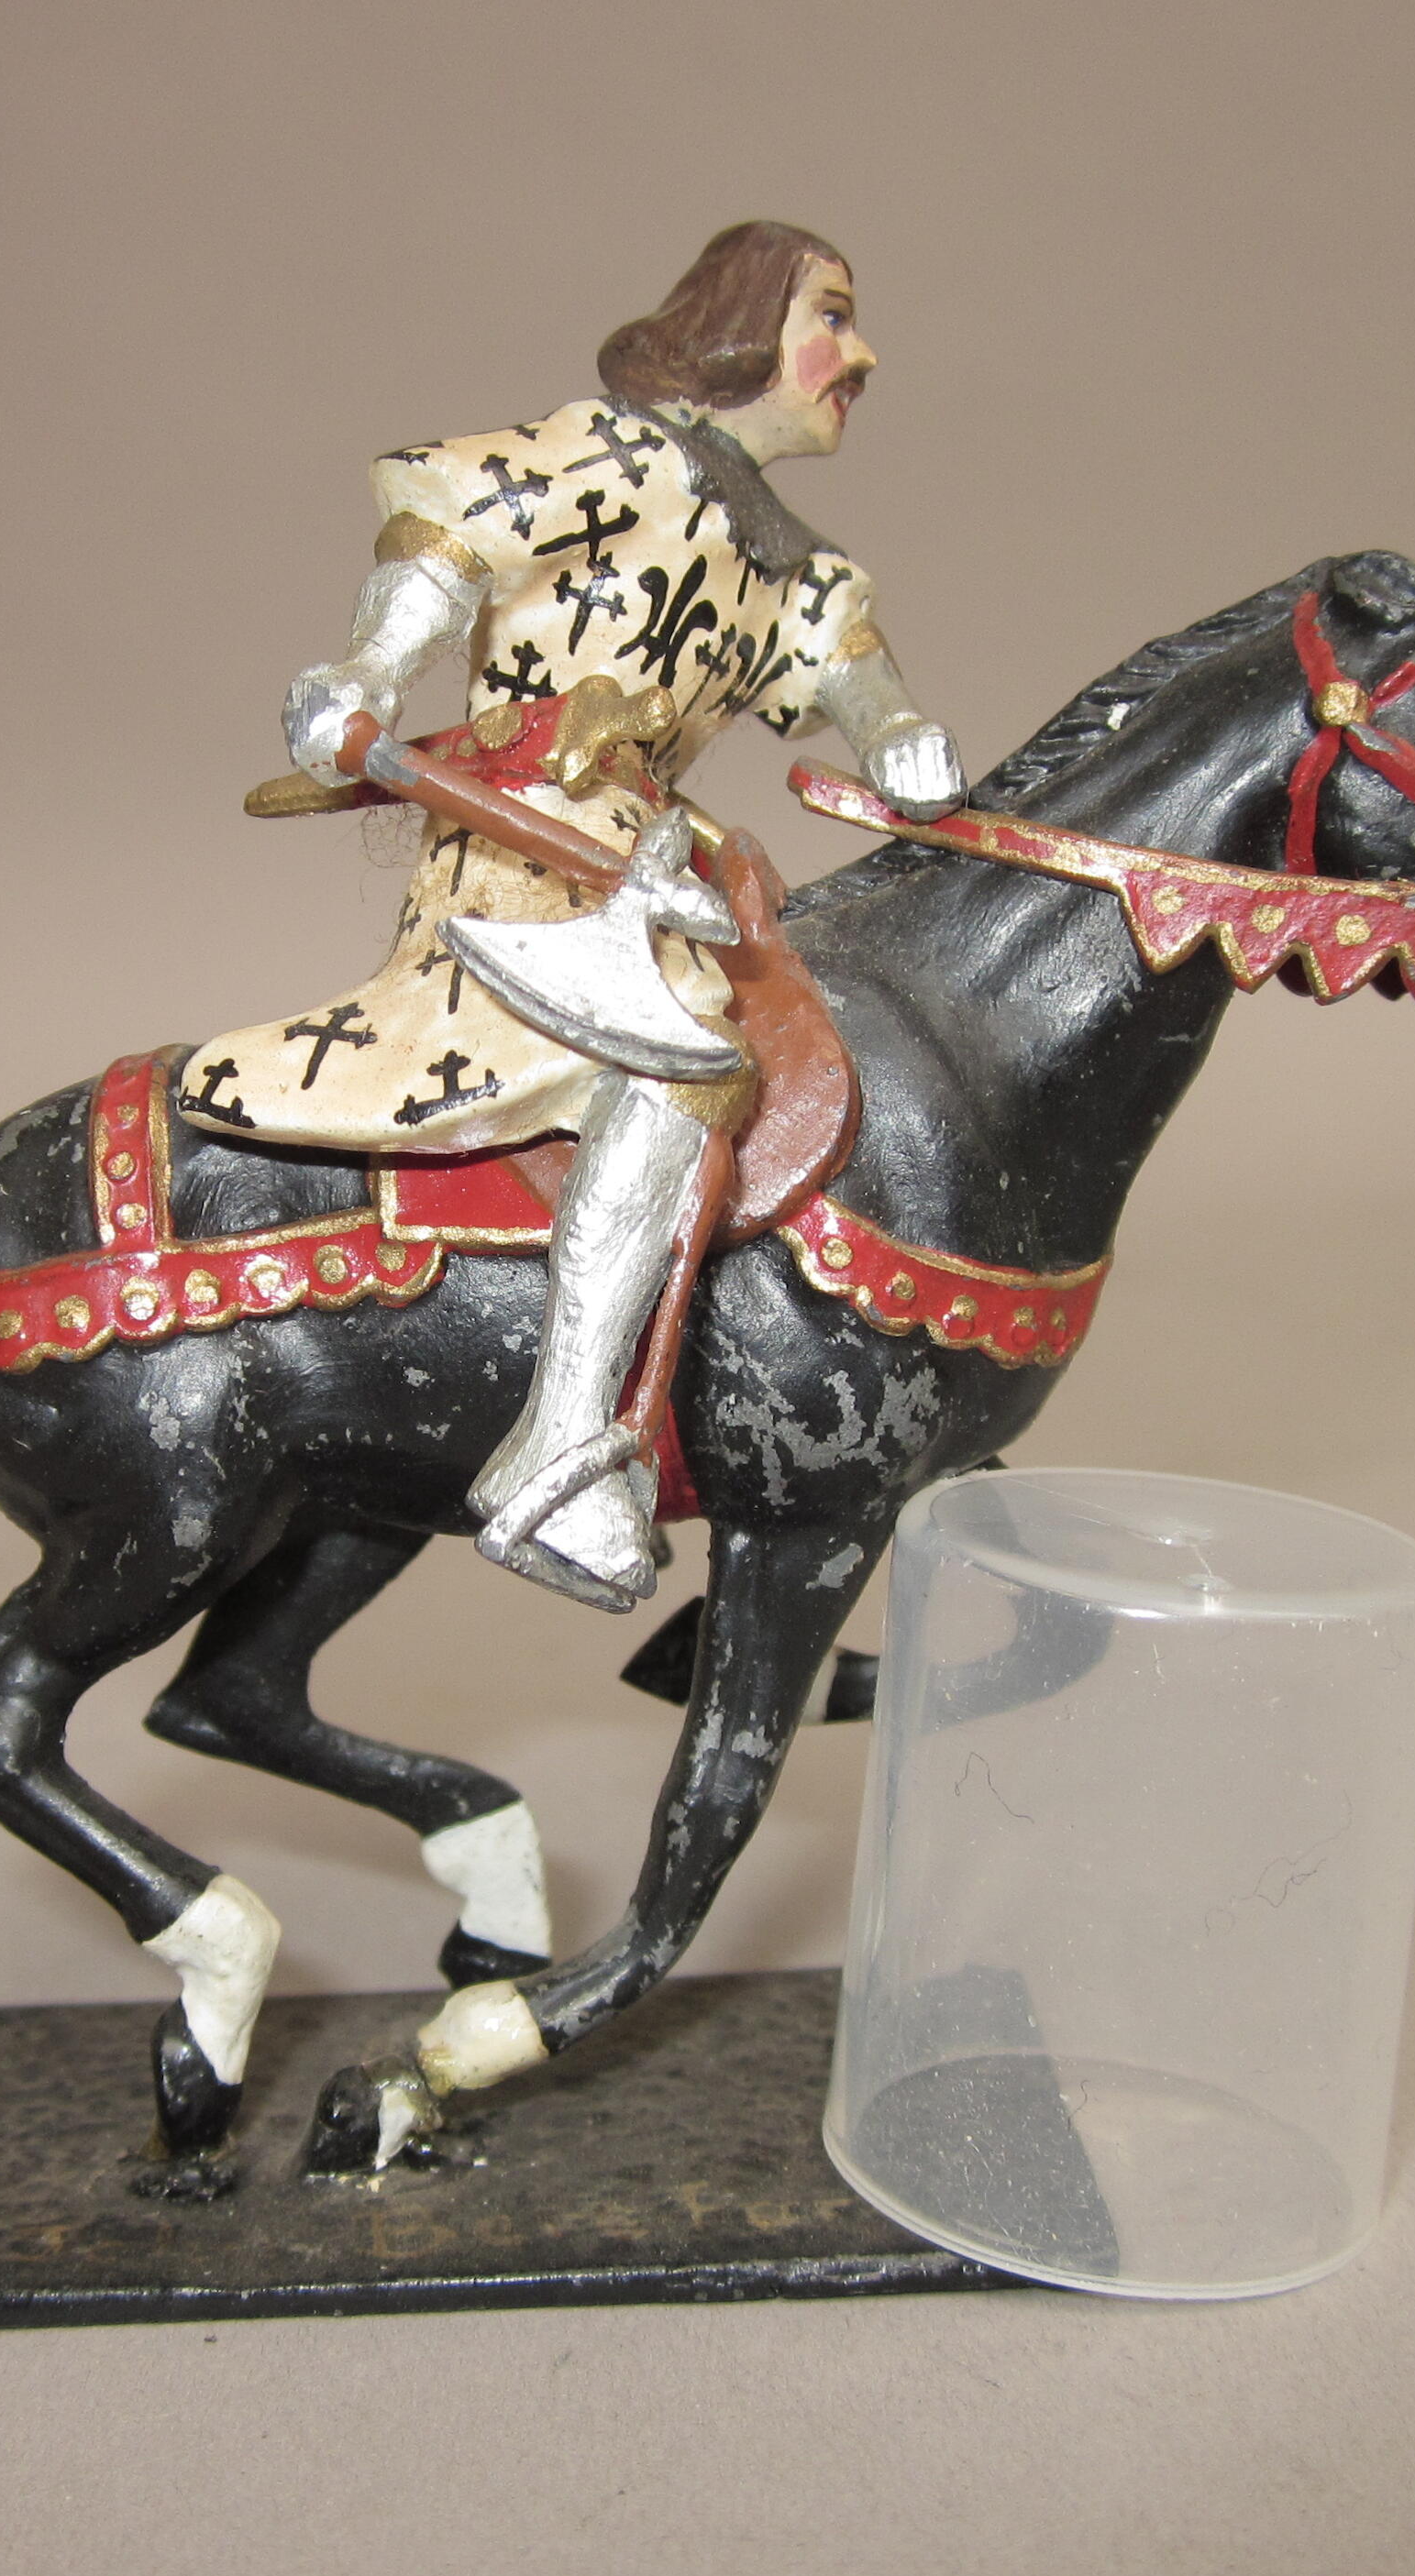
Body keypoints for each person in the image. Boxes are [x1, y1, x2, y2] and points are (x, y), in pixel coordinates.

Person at [173, 221, 966, 1609]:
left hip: (659, 865)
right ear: (742, 326)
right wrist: (367, 669)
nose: (862, 356)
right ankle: (562, 1449)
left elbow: (845, 665)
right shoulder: (604, 458)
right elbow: (451, 542)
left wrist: (900, 734)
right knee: (678, 1063)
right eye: (831, 317)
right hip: (524, 851)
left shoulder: (788, 557)